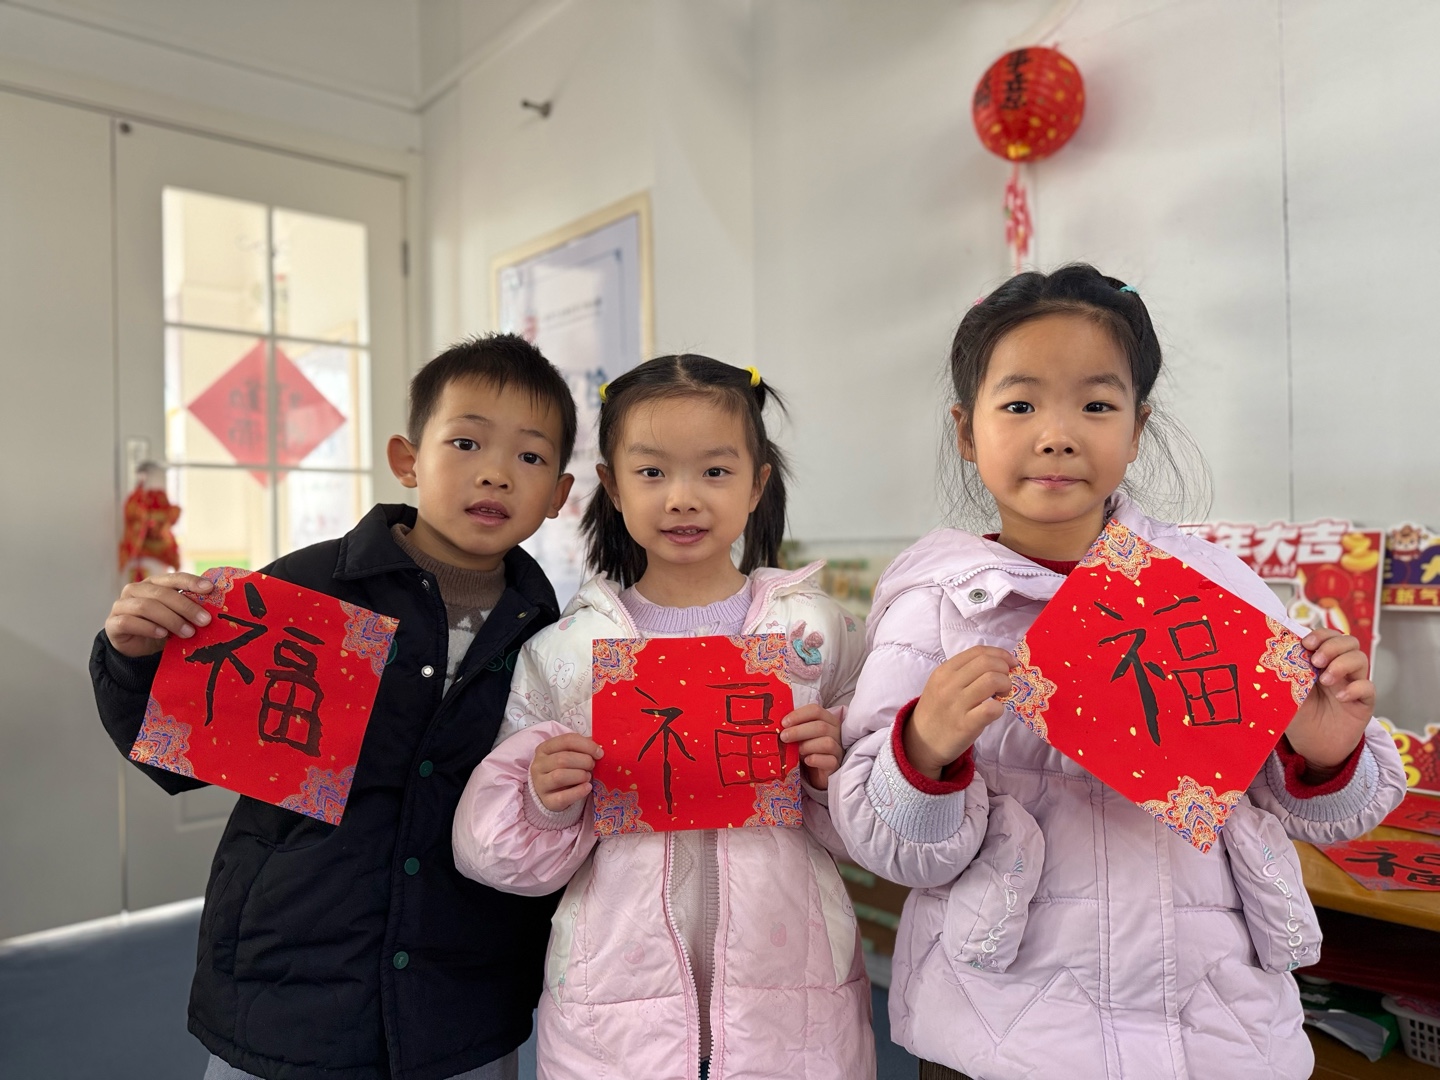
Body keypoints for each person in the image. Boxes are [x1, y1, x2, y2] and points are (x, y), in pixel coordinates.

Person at [828, 265, 1407, 1080]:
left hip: (1215, 1032)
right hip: (1006, 1037)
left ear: (1138, 430)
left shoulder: (1213, 587)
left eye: (1097, 406)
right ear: (966, 431)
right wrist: (921, 752)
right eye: (1020, 405)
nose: (1057, 435)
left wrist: (1327, 750)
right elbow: (889, 848)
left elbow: (1328, 817)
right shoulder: (934, 608)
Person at [91, 334, 578, 1080]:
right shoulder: (312, 590)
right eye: (466, 442)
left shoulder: (553, 638)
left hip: (461, 998)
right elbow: (176, 754)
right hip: (288, 987)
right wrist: (134, 657)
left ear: (560, 495)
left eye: (531, 456)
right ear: (407, 460)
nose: (495, 472)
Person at [451, 355, 876, 1080]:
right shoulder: (568, 651)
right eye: (652, 473)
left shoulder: (817, 636)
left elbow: (880, 822)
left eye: (714, 471)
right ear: (613, 487)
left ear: (757, 485)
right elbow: (494, 852)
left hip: (792, 1005)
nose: (682, 498)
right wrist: (545, 801)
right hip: (613, 1009)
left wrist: (828, 774)